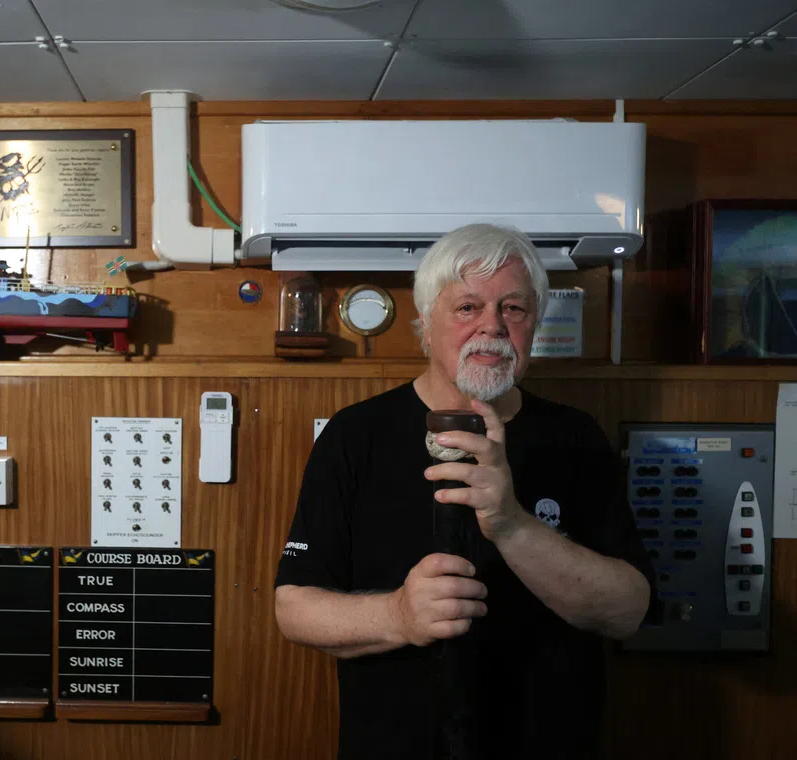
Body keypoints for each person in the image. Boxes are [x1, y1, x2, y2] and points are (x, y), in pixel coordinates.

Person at [273, 223, 655, 760]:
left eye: (514, 309)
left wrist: (513, 524)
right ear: (426, 327)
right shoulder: (355, 435)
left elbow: (627, 611)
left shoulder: (575, 437)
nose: (492, 327)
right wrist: (398, 617)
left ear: (534, 326)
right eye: (467, 308)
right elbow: (294, 607)